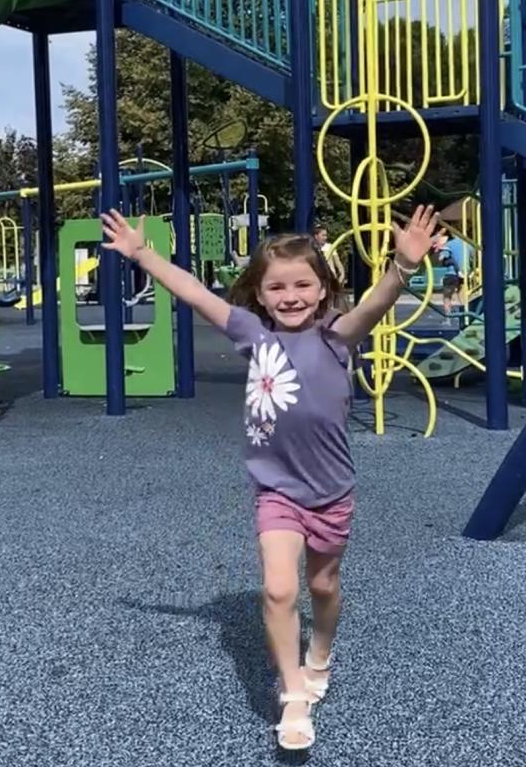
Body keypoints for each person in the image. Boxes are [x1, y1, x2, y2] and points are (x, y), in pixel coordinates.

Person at [101, 203, 439, 751]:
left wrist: (402, 267)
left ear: (323, 291)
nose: (290, 296)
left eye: (302, 285)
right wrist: (144, 256)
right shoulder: (252, 335)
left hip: (331, 491)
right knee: (280, 589)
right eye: (276, 287)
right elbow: (195, 294)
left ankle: (321, 650)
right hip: (276, 491)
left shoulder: (336, 337)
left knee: (322, 587)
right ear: (259, 295)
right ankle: (293, 697)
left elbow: (375, 305)